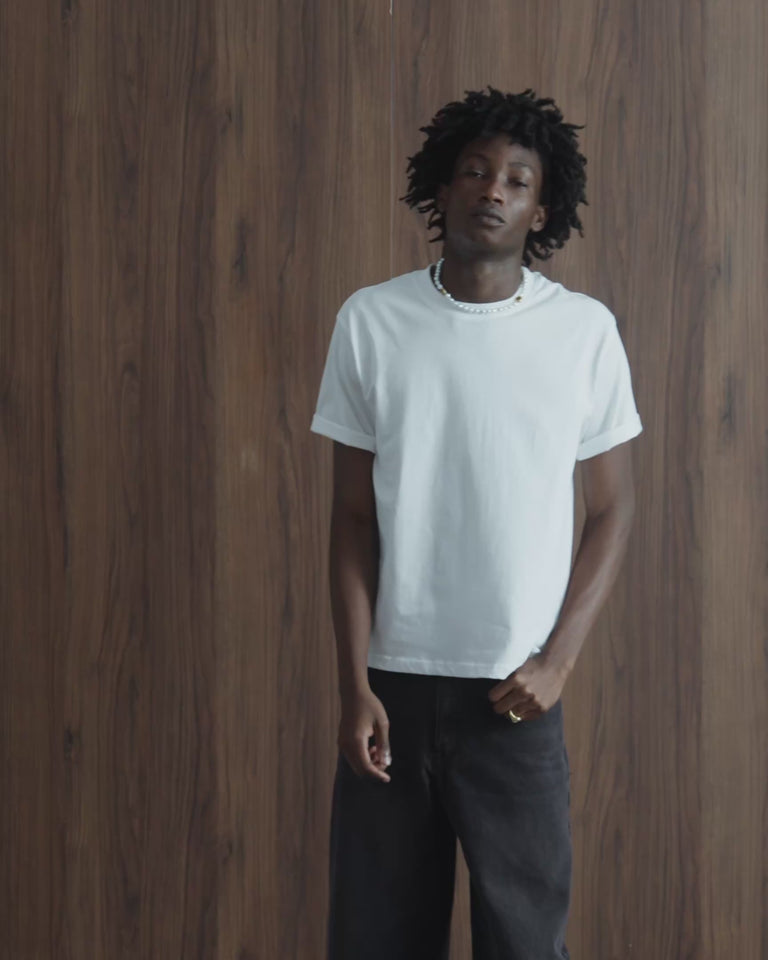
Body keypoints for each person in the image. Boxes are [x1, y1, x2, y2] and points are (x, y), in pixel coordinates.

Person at [310, 85, 643, 960]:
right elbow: (351, 519)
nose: (494, 189)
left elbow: (613, 508)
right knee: (375, 942)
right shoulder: (371, 321)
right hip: (392, 694)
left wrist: (557, 662)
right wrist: (353, 685)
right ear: (442, 187)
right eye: (475, 171)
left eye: (518, 180)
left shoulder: (582, 333)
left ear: (542, 210)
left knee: (525, 945)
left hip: (516, 701)